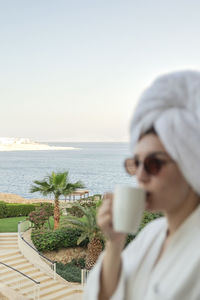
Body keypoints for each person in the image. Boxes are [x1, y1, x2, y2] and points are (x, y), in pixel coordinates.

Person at [83, 70, 200, 300]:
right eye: (136, 163)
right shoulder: (152, 234)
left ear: (190, 166)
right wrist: (115, 242)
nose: (140, 176)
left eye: (154, 164)